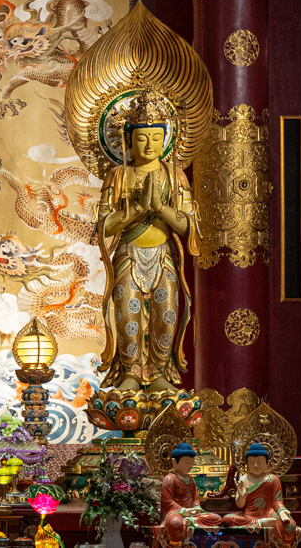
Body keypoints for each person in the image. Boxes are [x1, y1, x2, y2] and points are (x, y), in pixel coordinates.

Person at [98, 91, 199, 392]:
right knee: (127, 314)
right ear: (128, 140)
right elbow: (104, 226)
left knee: (165, 314)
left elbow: (187, 225)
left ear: (166, 138)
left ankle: (158, 374)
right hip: (128, 254)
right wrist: (138, 209)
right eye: (142, 138)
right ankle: (130, 371)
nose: (150, 145)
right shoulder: (118, 176)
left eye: (156, 137)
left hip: (163, 255)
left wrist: (161, 208)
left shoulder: (175, 174)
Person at [223, 443, 301, 546]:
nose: (255, 466)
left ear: (267, 463)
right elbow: (240, 505)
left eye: (259, 462)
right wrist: (242, 496)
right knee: (226, 519)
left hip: (270, 514)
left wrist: (282, 511)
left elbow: (277, 501)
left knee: (290, 526)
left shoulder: (273, 479)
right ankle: (261, 523)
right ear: (247, 463)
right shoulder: (244, 479)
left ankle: (265, 524)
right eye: (252, 462)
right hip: (250, 516)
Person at [153, 443, 221, 547]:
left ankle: (191, 521)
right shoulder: (170, 479)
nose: (190, 466)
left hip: (192, 514)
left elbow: (195, 498)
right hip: (176, 513)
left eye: (192, 463)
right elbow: (167, 501)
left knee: (216, 518)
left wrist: (197, 508)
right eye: (186, 462)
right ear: (174, 462)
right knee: (175, 522)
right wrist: (184, 511)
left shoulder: (191, 480)